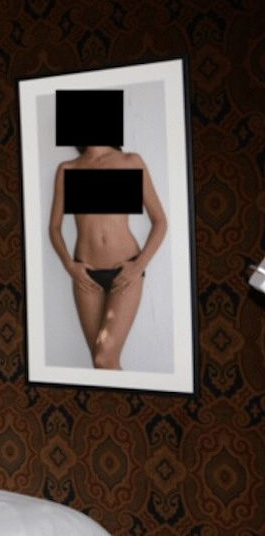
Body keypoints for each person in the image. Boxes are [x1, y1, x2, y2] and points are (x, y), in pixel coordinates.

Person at [48, 145, 167, 370]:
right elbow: (54, 228)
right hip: (85, 276)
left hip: (126, 271)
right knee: (100, 365)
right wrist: (70, 266)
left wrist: (138, 266)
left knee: (104, 359)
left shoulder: (130, 162)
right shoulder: (67, 169)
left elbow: (160, 221)